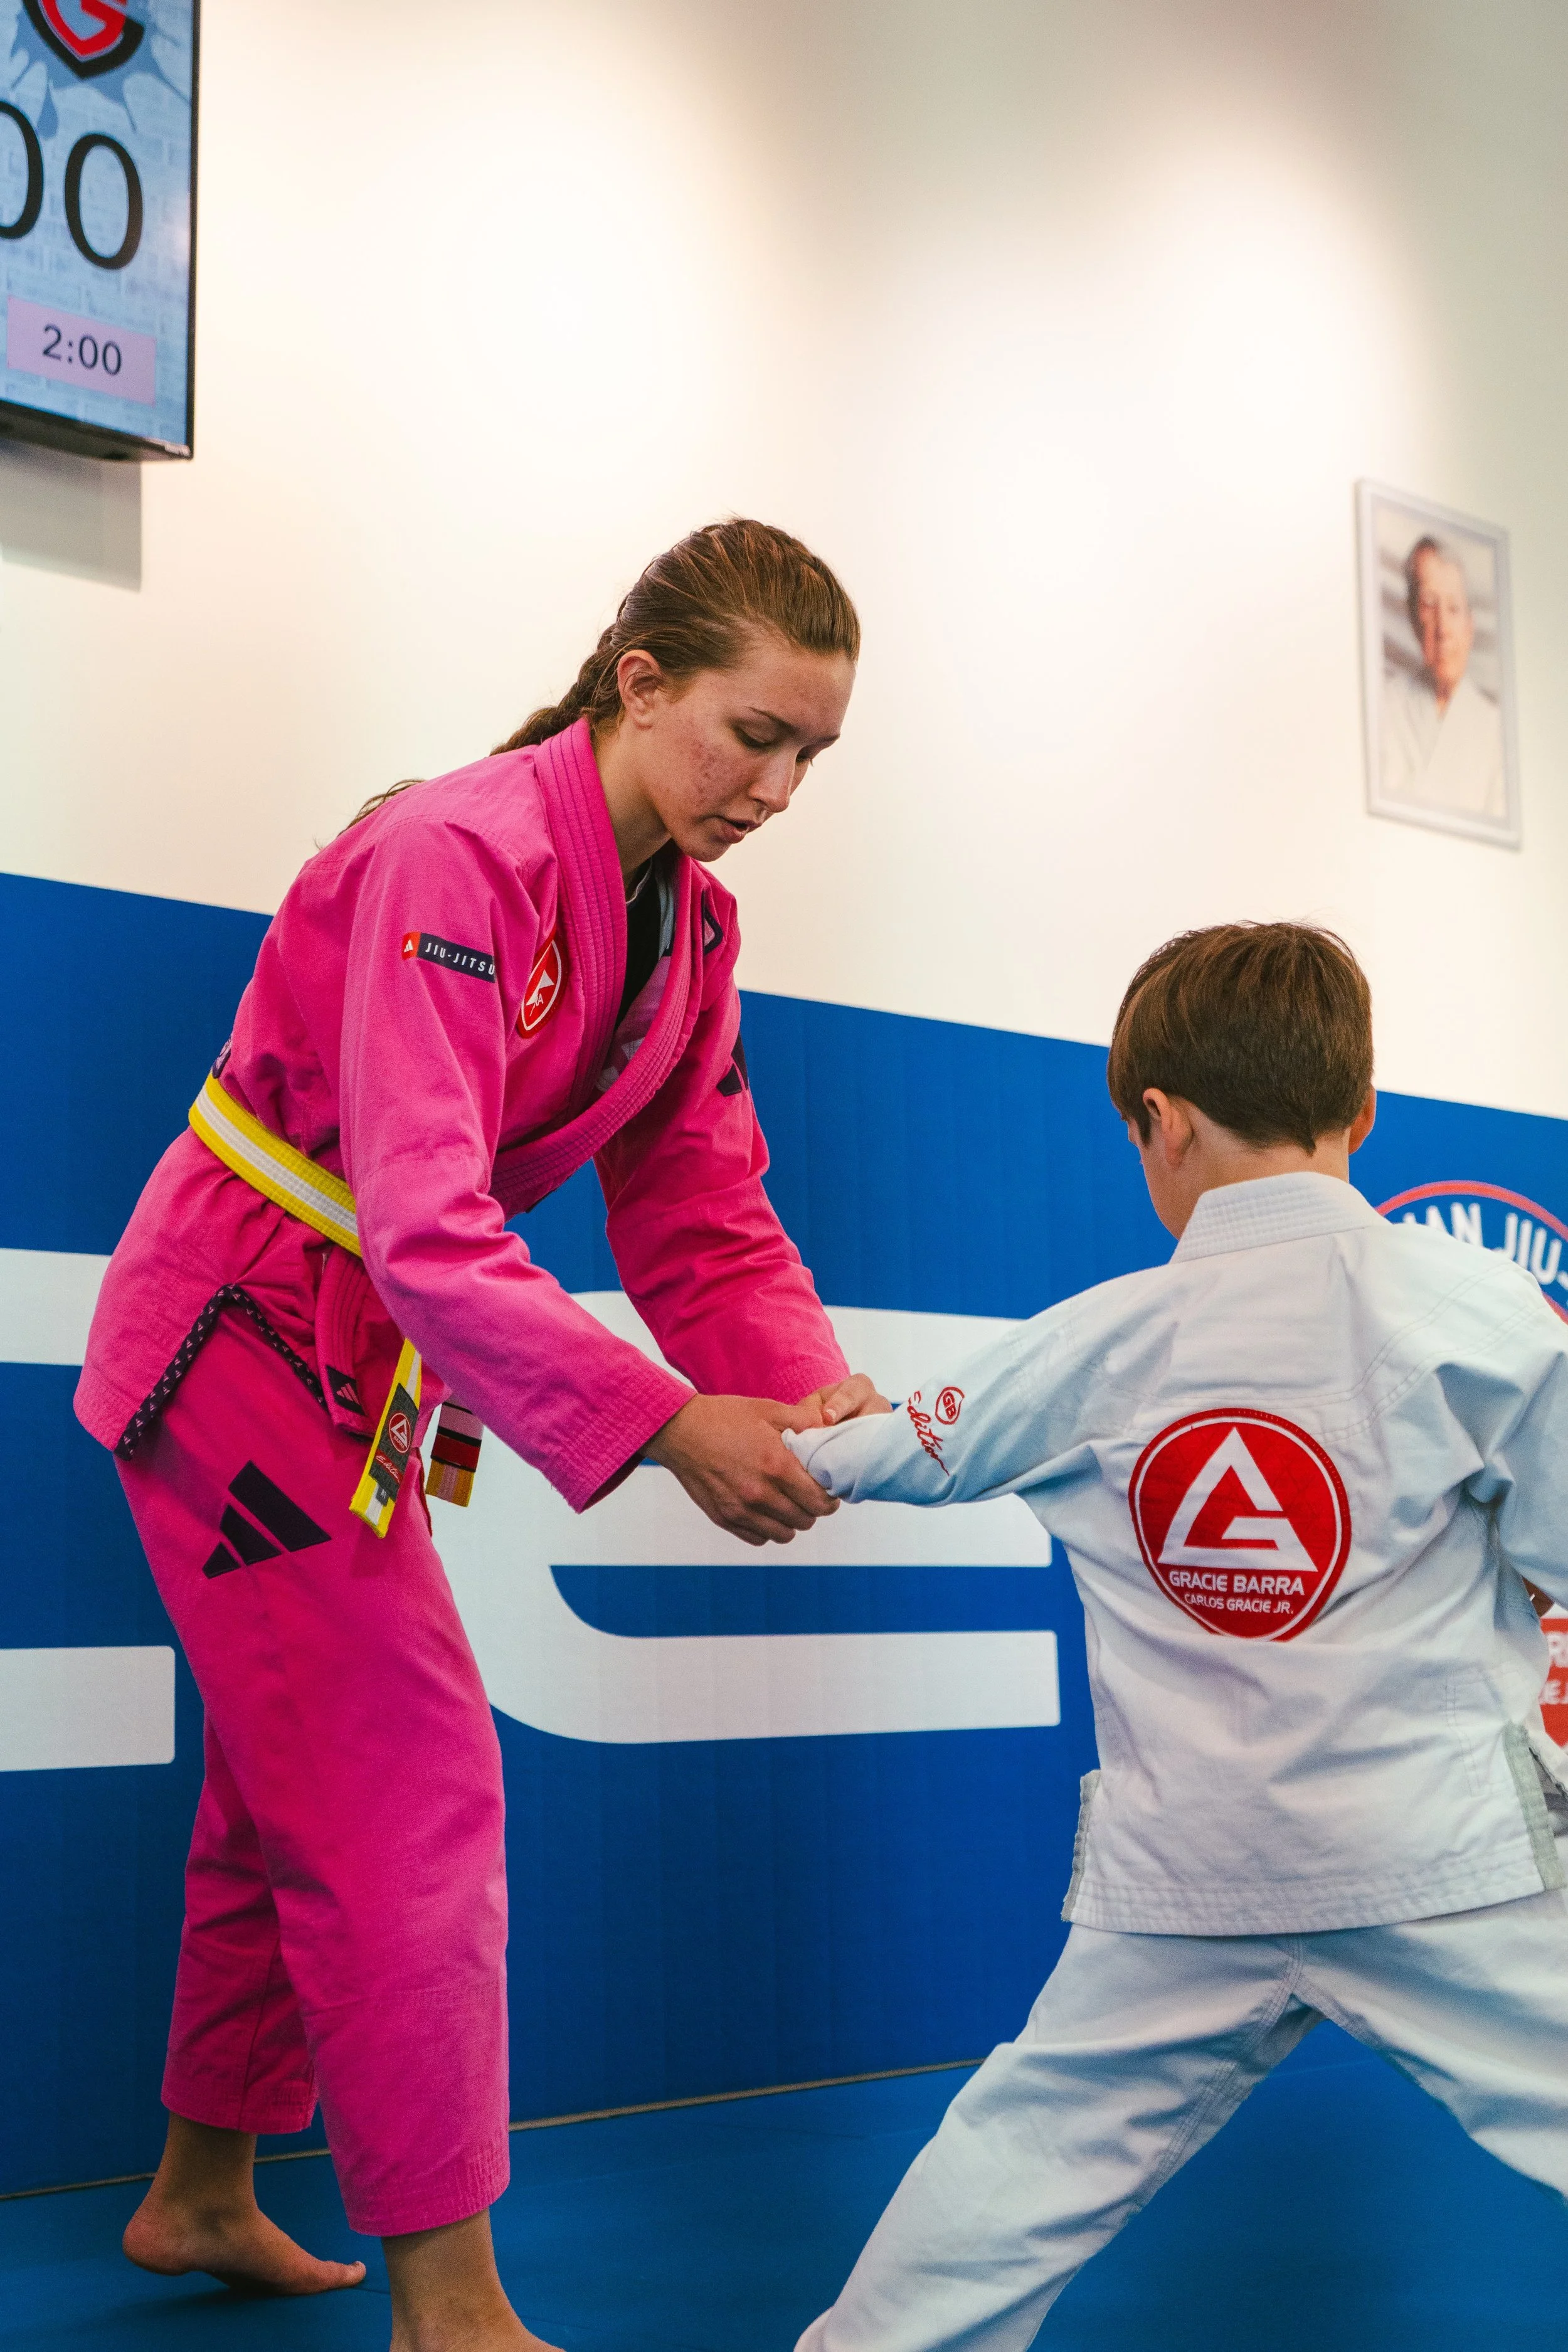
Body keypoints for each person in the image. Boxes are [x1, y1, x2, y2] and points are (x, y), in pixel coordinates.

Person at [75, 519, 887, 2351]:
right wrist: (669, 1421)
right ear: (640, 680)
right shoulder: (462, 847)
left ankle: (199, 2186)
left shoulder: (685, 923)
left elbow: (699, 1206)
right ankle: (455, 2306)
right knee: (400, 1787)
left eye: (809, 751)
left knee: (278, 1787)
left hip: (344, 1351)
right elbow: (430, 1219)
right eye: (751, 731)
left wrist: (801, 1377)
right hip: (247, 1322)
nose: (773, 781)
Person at [785, 922, 1568, 2352]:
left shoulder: (1091, 1338)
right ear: (1363, 1111)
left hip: (1188, 1871)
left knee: (1020, 2153)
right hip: (1438, 1851)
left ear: (1161, 1123)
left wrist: (788, 1437)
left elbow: (864, 1456)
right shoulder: (1476, 1310)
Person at [1379, 533, 1507, 822]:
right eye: (1429, 605)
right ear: (1412, 616)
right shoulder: (1386, 703)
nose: (1443, 629)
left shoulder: (1495, 730)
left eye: (1453, 609)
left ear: (1470, 626)